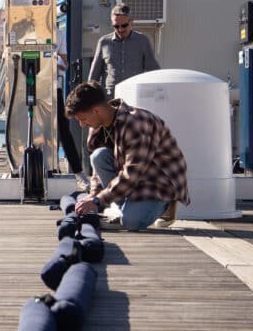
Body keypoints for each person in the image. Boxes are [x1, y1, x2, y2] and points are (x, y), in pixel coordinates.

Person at [65, 81, 189, 231]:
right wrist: (93, 195)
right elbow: (98, 172)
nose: (81, 125)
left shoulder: (136, 123)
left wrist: (98, 201)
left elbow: (132, 174)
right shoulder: (98, 127)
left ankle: (167, 204)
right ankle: (125, 206)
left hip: (159, 182)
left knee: (131, 222)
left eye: (83, 119)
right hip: (133, 179)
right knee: (98, 156)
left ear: (96, 110)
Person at [89, 4, 160, 98]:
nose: (120, 29)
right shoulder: (104, 42)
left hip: (134, 97)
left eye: (124, 25)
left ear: (132, 22)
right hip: (110, 99)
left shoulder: (142, 41)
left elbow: (153, 71)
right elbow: (94, 75)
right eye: (116, 26)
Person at [55, 25, 89, 189]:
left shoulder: (59, 34)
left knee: (63, 130)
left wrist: (51, 58)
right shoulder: (24, 30)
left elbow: (65, 63)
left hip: (52, 87)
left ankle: (78, 172)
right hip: (27, 88)